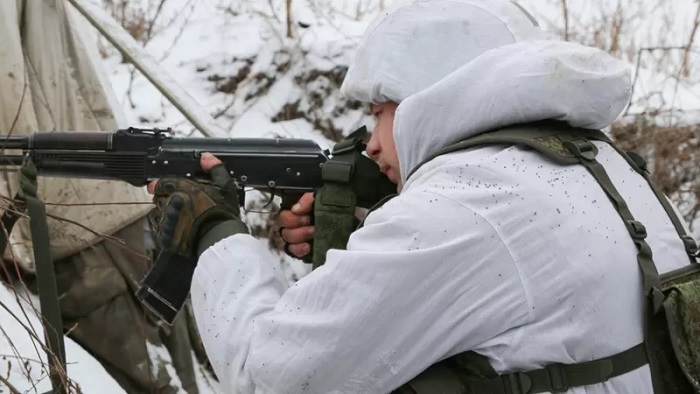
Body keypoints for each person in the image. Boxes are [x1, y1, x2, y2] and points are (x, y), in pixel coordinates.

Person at [147, 0, 697, 393]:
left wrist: (213, 232)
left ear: (423, 99)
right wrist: (376, 219)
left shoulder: (472, 202)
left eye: (378, 113)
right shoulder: (595, 162)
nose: (373, 144)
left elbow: (271, 377)